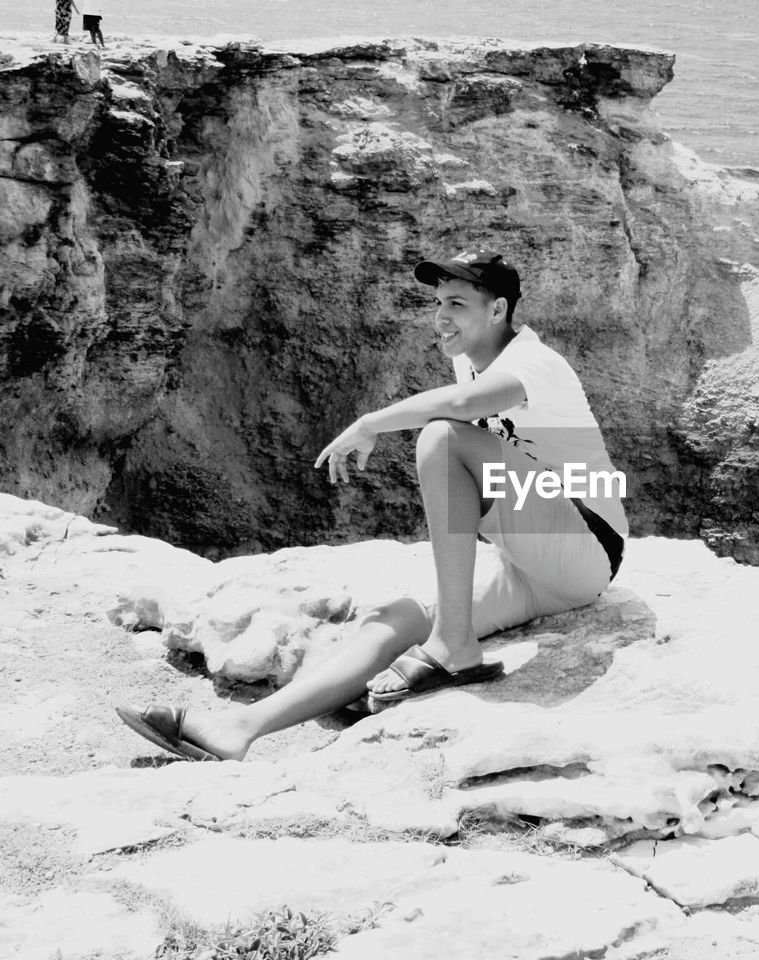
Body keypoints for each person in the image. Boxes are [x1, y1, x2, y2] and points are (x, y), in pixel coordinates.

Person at [116, 251, 627, 762]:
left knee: (442, 440)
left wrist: (370, 423)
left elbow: (465, 409)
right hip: (528, 562)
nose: (441, 316)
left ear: (497, 311)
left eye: (457, 303)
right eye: (437, 303)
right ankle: (238, 730)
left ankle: (454, 644)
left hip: (584, 543)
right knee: (394, 618)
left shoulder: (533, 362)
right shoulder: (467, 363)